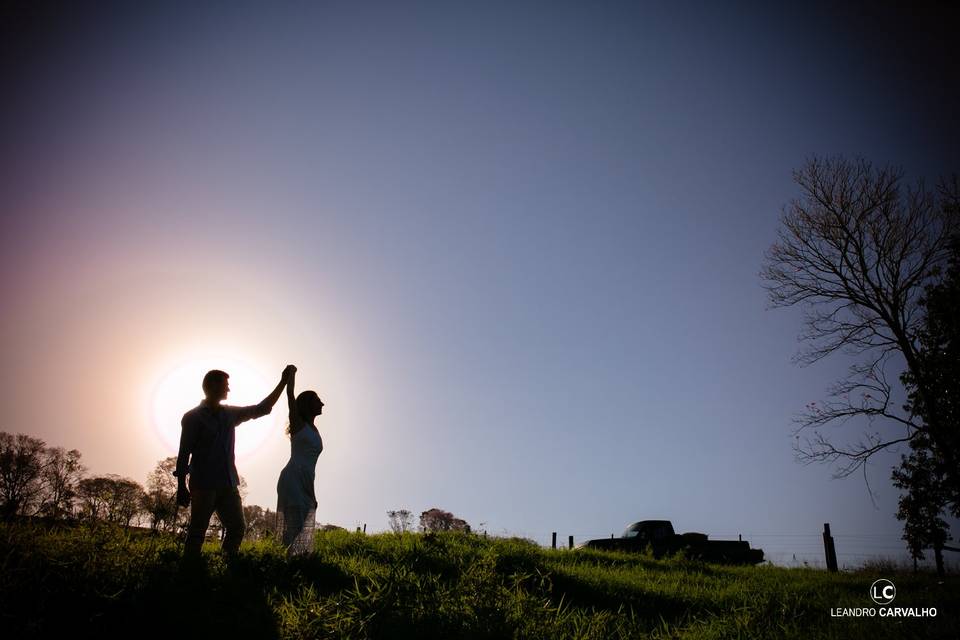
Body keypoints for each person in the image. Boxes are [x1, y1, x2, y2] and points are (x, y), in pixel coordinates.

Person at [175, 365, 293, 558]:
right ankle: (189, 574)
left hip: (228, 484)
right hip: (203, 485)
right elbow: (184, 453)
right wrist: (181, 486)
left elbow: (261, 409)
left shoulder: (229, 414)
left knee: (237, 528)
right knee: (197, 533)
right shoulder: (192, 418)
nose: (228, 389)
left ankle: (226, 568)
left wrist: (282, 382)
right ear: (213, 385)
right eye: (225, 385)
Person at [276, 365, 325, 555]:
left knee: (303, 522)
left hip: (306, 480)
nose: (322, 404)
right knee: (294, 525)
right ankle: (283, 561)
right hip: (292, 478)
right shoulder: (298, 424)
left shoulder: (315, 430)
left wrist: (312, 493)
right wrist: (291, 375)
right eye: (318, 400)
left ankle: (295, 561)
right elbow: (290, 396)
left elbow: (310, 466)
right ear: (307, 404)